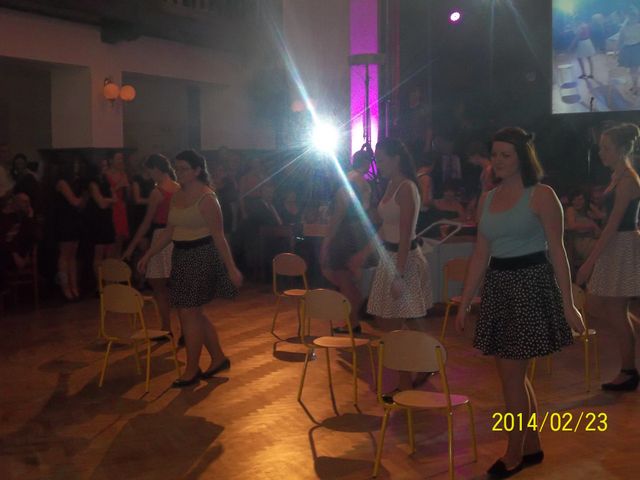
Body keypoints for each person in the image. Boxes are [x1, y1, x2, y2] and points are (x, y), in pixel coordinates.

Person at [455, 127, 584, 478]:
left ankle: (513, 453)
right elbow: (480, 254)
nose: (497, 160)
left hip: (530, 286)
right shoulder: (487, 198)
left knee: (512, 378)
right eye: (494, 154)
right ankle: (530, 446)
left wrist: (568, 303)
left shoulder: (541, 195)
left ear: (522, 158)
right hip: (499, 286)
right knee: (513, 376)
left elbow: (558, 252)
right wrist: (465, 301)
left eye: (505, 155)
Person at [138, 150, 243, 388]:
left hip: (202, 255)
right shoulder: (177, 195)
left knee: (188, 313)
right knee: (193, 313)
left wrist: (231, 268)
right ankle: (218, 358)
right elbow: (169, 232)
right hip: (181, 255)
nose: (179, 172)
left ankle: (191, 369)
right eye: (177, 168)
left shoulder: (207, 198)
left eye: (184, 168)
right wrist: (149, 254)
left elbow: (219, 236)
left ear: (197, 170)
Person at [353, 138, 433, 391]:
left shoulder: (407, 187)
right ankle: (422, 363)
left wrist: (399, 274)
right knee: (394, 320)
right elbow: (385, 227)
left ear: (396, 159)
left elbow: (405, 234)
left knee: (395, 323)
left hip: (403, 258)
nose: (378, 164)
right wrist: (365, 252)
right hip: (391, 257)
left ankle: (412, 374)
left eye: (381, 158)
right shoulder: (390, 185)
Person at [576, 123, 640, 391]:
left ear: (622, 149)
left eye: (606, 148)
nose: (601, 152)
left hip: (621, 245)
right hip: (617, 243)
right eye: (601, 147)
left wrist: (588, 263)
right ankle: (629, 361)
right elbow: (614, 219)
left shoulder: (627, 180)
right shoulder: (619, 176)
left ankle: (628, 370)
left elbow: (615, 225)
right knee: (603, 306)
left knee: (612, 309)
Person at [123, 154, 180, 335]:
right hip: (179, 235)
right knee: (178, 286)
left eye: (149, 171)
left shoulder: (158, 192)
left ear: (155, 169)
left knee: (159, 286)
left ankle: (166, 327)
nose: (149, 175)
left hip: (161, 236)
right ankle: (185, 330)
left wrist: (131, 246)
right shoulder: (180, 188)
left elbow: (146, 223)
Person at [321, 149, 373, 334]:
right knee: (349, 278)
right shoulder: (364, 183)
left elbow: (338, 217)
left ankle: (354, 320)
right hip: (359, 233)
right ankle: (354, 319)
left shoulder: (347, 182)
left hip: (345, 235)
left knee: (343, 279)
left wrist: (326, 243)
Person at [53, 159, 86, 300]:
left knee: (72, 256)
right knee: (64, 256)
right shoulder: (62, 182)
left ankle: (75, 287)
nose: (76, 169)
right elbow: (74, 201)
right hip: (64, 221)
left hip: (74, 221)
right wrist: (85, 196)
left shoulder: (74, 183)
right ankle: (65, 288)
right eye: (74, 165)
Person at [85, 163, 117, 286]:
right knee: (98, 254)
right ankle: (100, 285)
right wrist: (109, 201)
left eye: (106, 166)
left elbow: (115, 199)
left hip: (107, 219)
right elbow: (101, 204)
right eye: (103, 166)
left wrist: (107, 200)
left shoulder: (106, 182)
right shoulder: (93, 183)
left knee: (110, 254)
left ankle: (109, 283)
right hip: (97, 220)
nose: (105, 168)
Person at [0, 193, 38, 291]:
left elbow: (33, 237)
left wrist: (30, 217)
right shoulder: (3, 218)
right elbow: (3, 239)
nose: (28, 205)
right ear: (15, 202)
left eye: (29, 202)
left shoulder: (24, 219)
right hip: (8, 253)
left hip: (16, 255)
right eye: (25, 202)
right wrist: (14, 253)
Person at [564, 189, 600, 271]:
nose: (578, 202)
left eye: (580, 199)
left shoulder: (585, 212)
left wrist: (590, 206)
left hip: (592, 239)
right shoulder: (571, 210)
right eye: (575, 200)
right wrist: (591, 226)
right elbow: (572, 225)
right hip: (581, 241)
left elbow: (601, 216)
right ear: (572, 201)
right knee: (601, 250)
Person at [104, 152, 130, 256]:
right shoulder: (106, 174)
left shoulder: (123, 174)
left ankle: (117, 262)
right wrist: (119, 185)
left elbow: (128, 195)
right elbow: (105, 193)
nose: (121, 161)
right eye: (118, 158)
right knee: (110, 239)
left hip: (121, 208)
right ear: (111, 161)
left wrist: (127, 186)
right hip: (110, 207)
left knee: (120, 238)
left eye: (121, 159)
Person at [618, 7, 640, 95]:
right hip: (627, 49)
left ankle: (635, 86)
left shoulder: (639, 26)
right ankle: (635, 85)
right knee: (632, 70)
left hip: (637, 48)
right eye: (631, 17)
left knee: (634, 69)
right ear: (628, 17)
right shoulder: (623, 28)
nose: (633, 19)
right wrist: (617, 50)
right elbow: (620, 40)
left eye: (635, 17)